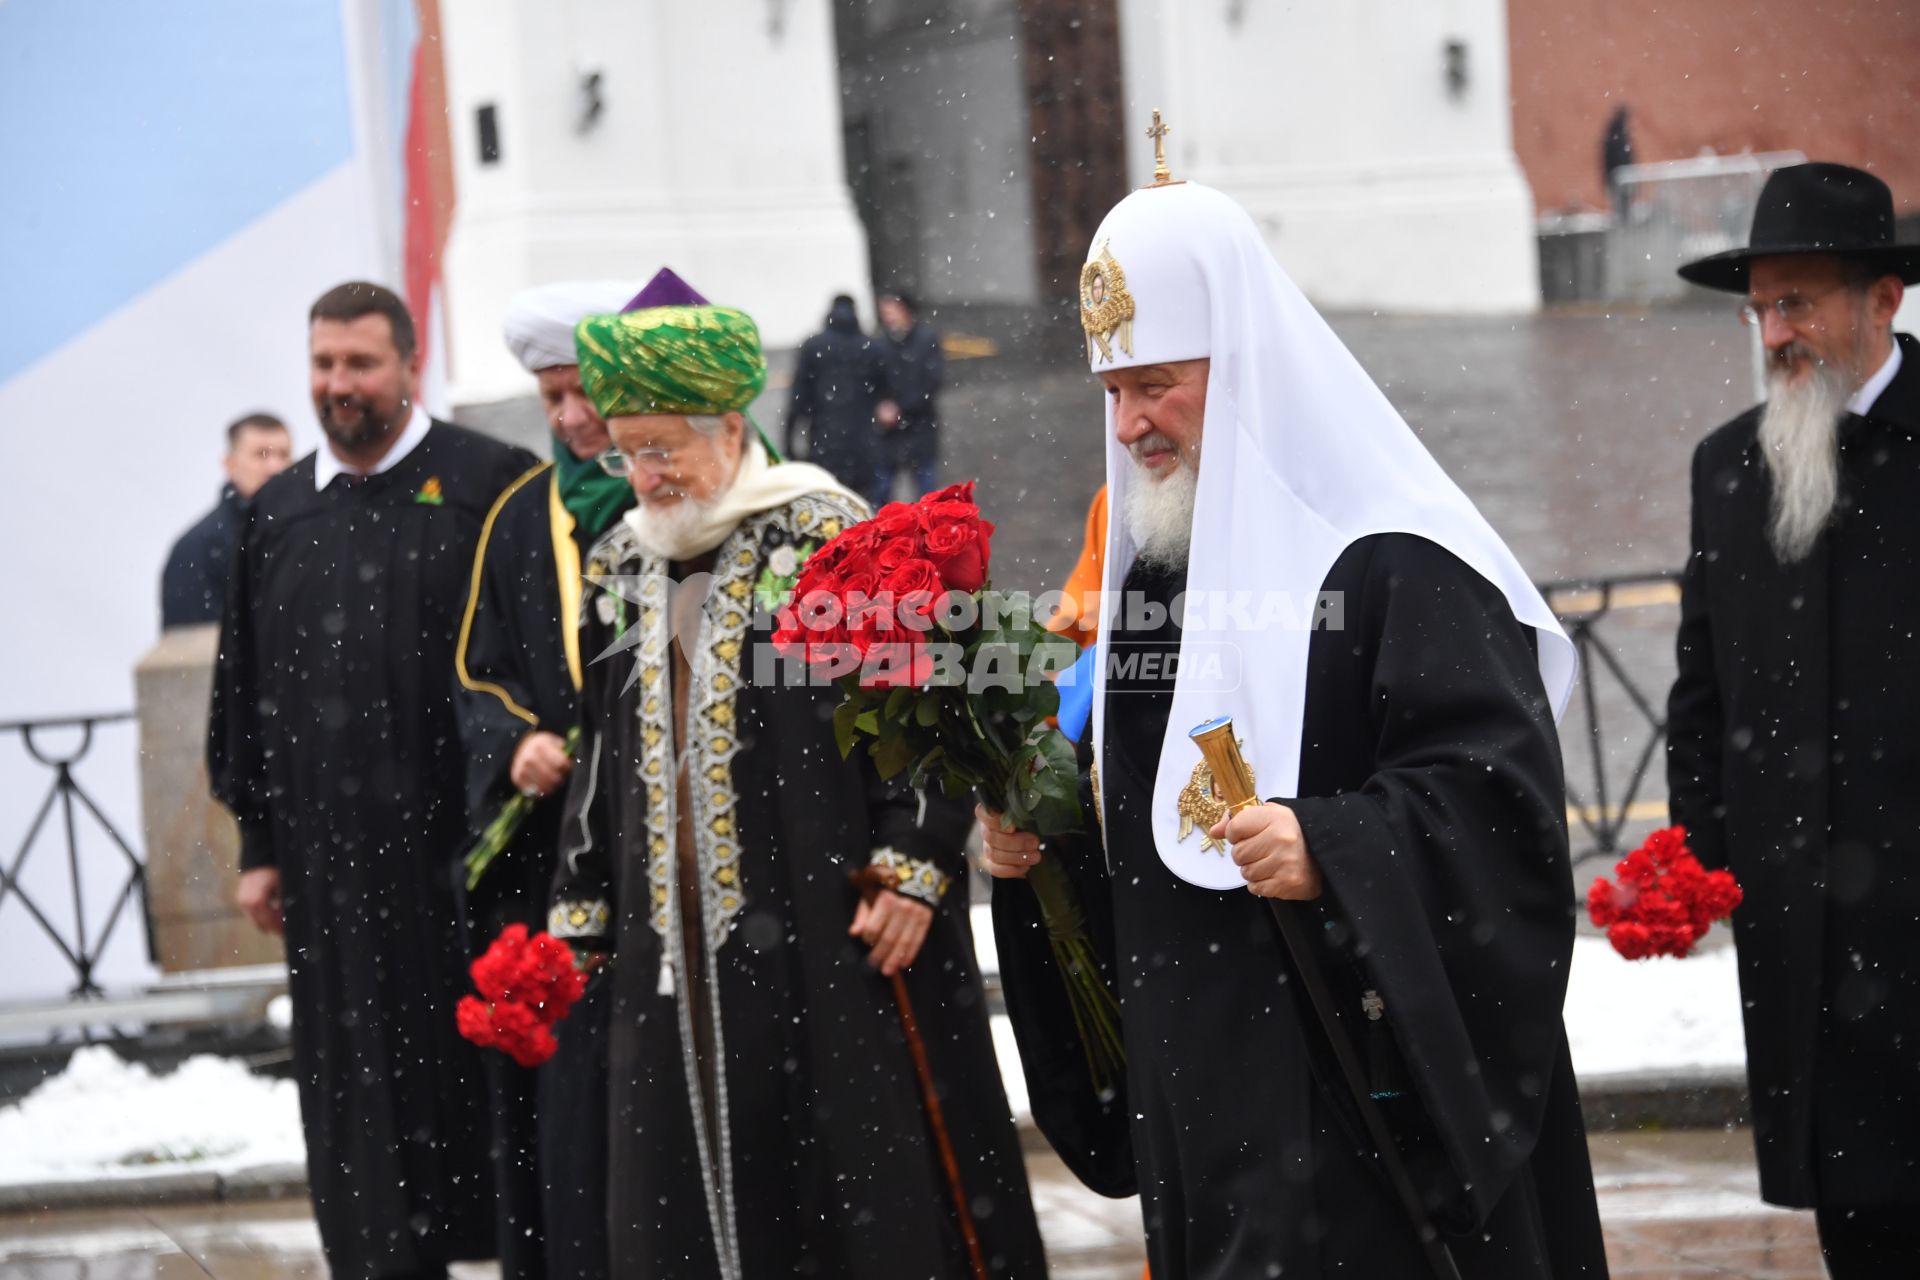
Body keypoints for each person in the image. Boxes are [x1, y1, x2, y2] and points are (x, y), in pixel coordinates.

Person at [980, 163, 1608, 1277]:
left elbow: (1496, 804)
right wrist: (1039, 846)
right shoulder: (1154, 580)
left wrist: (1336, 843)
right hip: (1210, 1106)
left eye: (1156, 384)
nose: (1129, 425)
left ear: (1245, 364)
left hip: (1358, 1113)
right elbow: (1146, 810)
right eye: (1110, 390)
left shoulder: (1396, 560)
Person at [551, 303, 1046, 1277]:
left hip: (825, 927)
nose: (645, 478)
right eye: (627, 454)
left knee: (849, 1201)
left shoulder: (828, 536)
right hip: (671, 953)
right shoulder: (619, 564)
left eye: (662, 449)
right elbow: (601, 748)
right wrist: (581, 914)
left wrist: (913, 866)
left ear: (730, 429)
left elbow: (929, 712)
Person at [209, 281, 537, 1280]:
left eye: (360, 363)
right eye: (323, 364)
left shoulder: (495, 484)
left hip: (471, 868)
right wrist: (260, 846)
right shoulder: (278, 513)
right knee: (362, 1109)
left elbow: (534, 667)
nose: (339, 384)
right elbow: (246, 691)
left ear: (408, 363)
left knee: (489, 1095)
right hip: (333, 879)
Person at [1667, 161, 1920, 1276]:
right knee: (1859, 1232)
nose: (1776, 331)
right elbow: (1699, 692)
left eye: (1801, 300)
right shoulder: (1727, 469)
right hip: (1807, 955)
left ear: (1885, 300)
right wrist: (1695, 856)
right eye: (1762, 305)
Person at [456, 273, 704, 1280]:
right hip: (567, 852)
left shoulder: (708, 493)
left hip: (688, 843)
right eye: (550, 396)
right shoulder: (521, 513)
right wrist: (517, 740)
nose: (567, 417)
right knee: (576, 1116)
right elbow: (477, 668)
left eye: (579, 392)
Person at [160, 412, 291, 628]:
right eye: (261, 454)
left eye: (284, 455)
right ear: (230, 464)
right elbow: (190, 651)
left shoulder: (309, 532)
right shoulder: (198, 548)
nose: (275, 468)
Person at [783, 293, 886, 492]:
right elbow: (885, 391)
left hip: (824, 438)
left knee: (828, 498)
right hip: (862, 441)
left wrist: (789, 443)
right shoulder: (871, 347)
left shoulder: (813, 346)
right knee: (862, 502)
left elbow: (798, 398)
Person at [870, 289, 943, 506]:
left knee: (926, 490)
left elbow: (931, 382)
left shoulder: (926, 340)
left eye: (893, 309)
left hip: (919, 426)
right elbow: (872, 383)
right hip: (890, 431)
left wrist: (901, 408)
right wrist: (880, 408)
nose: (888, 315)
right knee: (882, 489)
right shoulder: (880, 344)